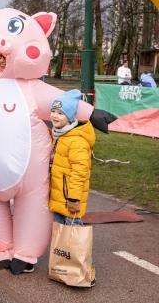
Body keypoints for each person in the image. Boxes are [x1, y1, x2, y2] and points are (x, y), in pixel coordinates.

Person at [48, 89, 96, 285]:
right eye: (53, 111)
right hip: (59, 196)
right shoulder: (60, 135)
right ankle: (64, 270)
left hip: (70, 198)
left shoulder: (76, 140)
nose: (55, 116)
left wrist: (74, 198)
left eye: (60, 113)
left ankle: (82, 274)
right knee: (63, 236)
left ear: (70, 116)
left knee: (75, 236)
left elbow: (80, 171)